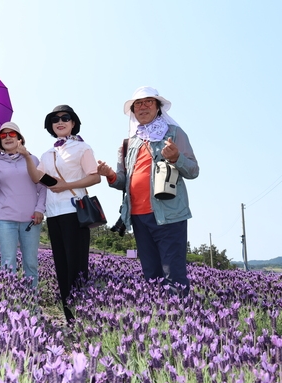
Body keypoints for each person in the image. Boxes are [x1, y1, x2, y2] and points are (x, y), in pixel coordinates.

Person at [97, 86, 199, 295]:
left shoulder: (174, 133)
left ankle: (179, 319)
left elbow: (193, 170)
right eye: (138, 104)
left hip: (169, 214)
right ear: (133, 111)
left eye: (148, 102)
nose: (142, 107)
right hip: (138, 216)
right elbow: (122, 181)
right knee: (151, 273)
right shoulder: (128, 143)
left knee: (174, 271)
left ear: (158, 108)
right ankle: (159, 317)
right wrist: (110, 175)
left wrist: (175, 157)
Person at [17, 105, 100, 323]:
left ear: (73, 123)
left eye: (65, 118)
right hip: (54, 214)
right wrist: (26, 156)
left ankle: (83, 315)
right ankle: (69, 317)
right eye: (55, 120)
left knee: (77, 265)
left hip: (75, 211)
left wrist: (67, 185)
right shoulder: (48, 153)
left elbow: (94, 177)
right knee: (61, 266)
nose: (60, 122)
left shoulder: (83, 148)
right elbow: (39, 178)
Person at [0, 122, 46, 288]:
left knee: (31, 263)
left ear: (20, 139)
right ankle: (9, 303)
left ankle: (31, 304)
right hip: (6, 219)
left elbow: (43, 187)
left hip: (31, 220)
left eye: (12, 134)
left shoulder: (33, 159)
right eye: (3, 135)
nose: (8, 137)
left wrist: (40, 209)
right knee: (8, 262)